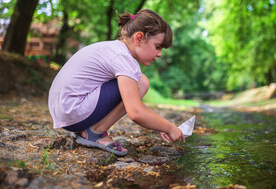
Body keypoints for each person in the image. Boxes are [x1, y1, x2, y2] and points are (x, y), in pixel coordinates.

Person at [48, 9, 185, 156]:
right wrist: (170, 127)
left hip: (65, 110)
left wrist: (159, 124)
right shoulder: (123, 58)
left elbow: (133, 102)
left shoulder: (113, 49)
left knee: (138, 81)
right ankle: (95, 132)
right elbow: (136, 112)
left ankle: (91, 129)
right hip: (73, 112)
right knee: (142, 83)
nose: (159, 54)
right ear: (138, 38)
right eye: (158, 46)